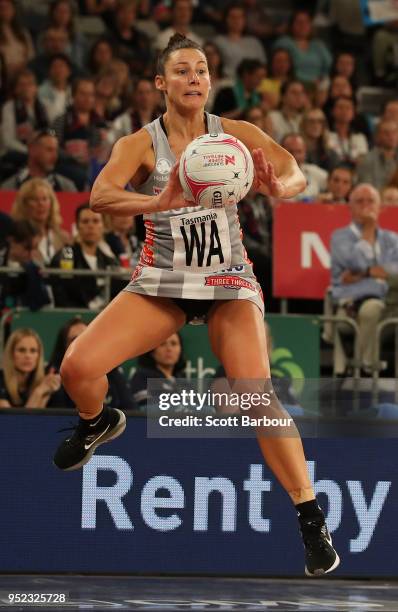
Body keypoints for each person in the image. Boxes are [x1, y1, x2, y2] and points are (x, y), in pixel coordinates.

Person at [53, 33, 339, 576]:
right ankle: (97, 421)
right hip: (163, 279)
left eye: (202, 70)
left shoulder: (235, 135)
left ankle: (309, 515)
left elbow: (293, 169)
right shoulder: (140, 143)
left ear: (210, 81)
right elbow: (101, 195)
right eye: (182, 71)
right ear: (161, 83)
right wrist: (156, 201)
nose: (195, 78)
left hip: (227, 278)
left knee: (256, 396)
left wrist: (282, 187)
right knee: (76, 367)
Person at [330, 184, 398, 374]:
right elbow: (355, 263)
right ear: (350, 207)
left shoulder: (392, 239)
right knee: (371, 308)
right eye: (360, 201)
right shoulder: (340, 237)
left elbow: (394, 272)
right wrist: (368, 229)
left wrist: (363, 274)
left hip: (392, 301)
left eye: (371, 201)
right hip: (352, 303)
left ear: (380, 207)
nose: (366, 206)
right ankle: (366, 369)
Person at [48, 316, 134, 410]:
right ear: (64, 347)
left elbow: (133, 414)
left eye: (86, 337)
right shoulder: (54, 377)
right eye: (74, 339)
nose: (81, 343)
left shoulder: (112, 373)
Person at [49, 203, 118, 309]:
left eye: (95, 221)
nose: (90, 226)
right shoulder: (64, 257)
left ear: (103, 226)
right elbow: (61, 297)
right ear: (77, 226)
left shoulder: (110, 261)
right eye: (85, 221)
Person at [10, 178, 70, 265]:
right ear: (24, 204)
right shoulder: (16, 239)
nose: (41, 204)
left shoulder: (63, 238)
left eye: (45, 199)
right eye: (34, 199)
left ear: (51, 203)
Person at [0, 328, 61, 409]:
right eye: (21, 350)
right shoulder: (1, 379)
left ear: (39, 355)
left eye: (33, 351)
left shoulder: (47, 378)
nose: (28, 356)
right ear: (11, 353)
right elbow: (19, 421)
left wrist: (46, 393)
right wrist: (39, 392)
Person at [1, 129, 77, 192]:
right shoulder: (9, 187)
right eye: (49, 150)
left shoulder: (66, 186)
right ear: (32, 149)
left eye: (56, 151)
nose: (55, 156)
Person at [0, 219, 51, 311]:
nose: (31, 254)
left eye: (35, 248)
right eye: (27, 248)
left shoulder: (36, 268)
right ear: (12, 241)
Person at [130, 332, 186, 409]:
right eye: (162, 344)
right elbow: (145, 408)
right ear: (152, 351)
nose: (169, 349)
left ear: (180, 349)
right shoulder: (142, 377)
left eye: (174, 344)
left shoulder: (183, 381)